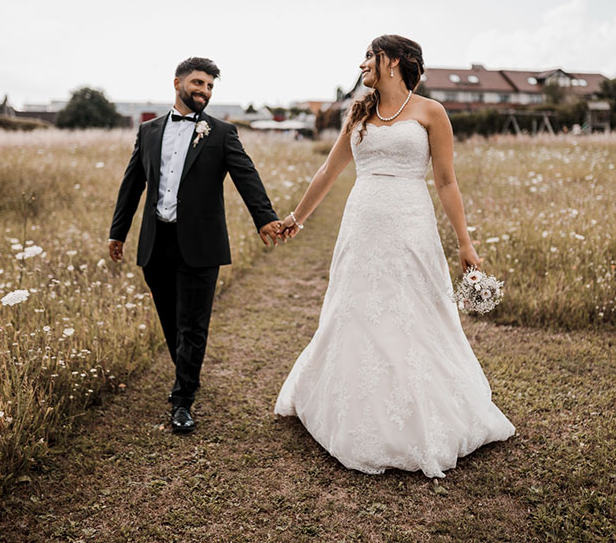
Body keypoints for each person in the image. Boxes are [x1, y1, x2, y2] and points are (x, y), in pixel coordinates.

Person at [274, 35, 515, 477]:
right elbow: (330, 170)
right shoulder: (359, 112)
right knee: (357, 308)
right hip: (362, 223)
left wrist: (465, 242)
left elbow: (446, 182)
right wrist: (297, 217)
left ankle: (423, 411)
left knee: (415, 310)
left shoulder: (431, 112)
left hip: (410, 225)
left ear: (396, 62)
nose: (363, 62)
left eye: (371, 55)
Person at [108, 57, 284, 434]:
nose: (204, 91)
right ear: (178, 83)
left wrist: (264, 216)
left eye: (210, 87)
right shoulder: (149, 131)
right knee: (171, 319)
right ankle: (188, 372)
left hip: (201, 242)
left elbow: (245, 175)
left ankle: (182, 399)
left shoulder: (221, 132)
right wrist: (118, 232)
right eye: (199, 83)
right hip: (157, 241)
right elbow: (132, 184)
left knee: (193, 324)